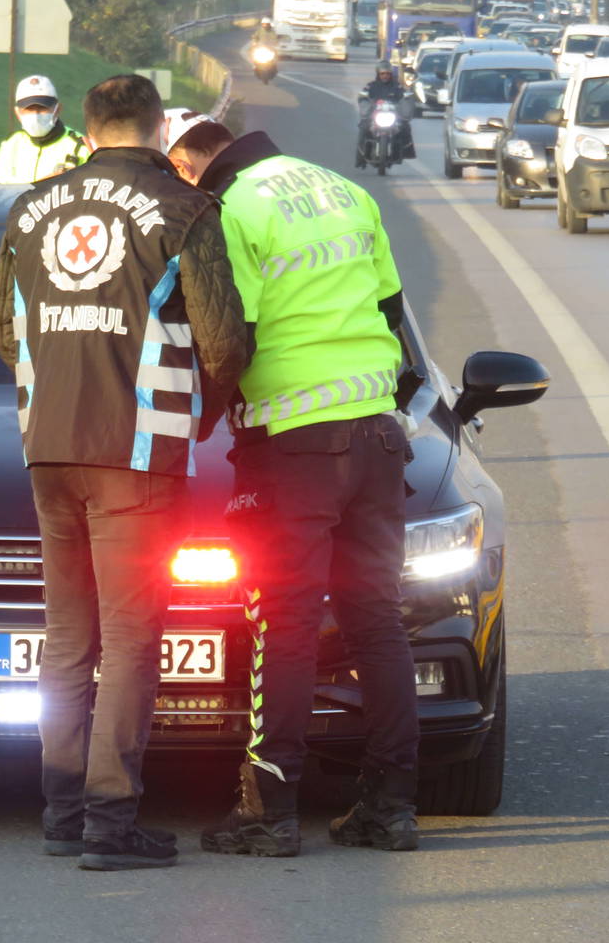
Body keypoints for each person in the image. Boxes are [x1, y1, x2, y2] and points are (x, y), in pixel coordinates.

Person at [0, 74, 248, 871]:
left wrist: (53, 388)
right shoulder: (183, 209)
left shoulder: (28, 210)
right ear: (159, 125)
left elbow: (4, 328)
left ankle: (63, 811)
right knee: (133, 640)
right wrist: (198, 412)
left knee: (68, 636)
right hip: (135, 455)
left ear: (90, 127)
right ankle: (111, 821)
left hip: (49, 447)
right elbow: (223, 339)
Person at [164, 114, 421, 857]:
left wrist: (202, 420)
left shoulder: (228, 209)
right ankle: (391, 807)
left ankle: (268, 810)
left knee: (284, 624)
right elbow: (391, 314)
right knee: (378, 622)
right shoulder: (343, 190)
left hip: (294, 447)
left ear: (187, 167)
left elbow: (227, 335)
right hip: (376, 438)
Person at [0, 75, 91, 184]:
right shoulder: (12, 143)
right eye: (29, 109)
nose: (36, 114)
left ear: (58, 109)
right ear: (18, 113)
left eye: (42, 108)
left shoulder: (80, 146)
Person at [356, 60, 416, 167]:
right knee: (363, 127)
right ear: (378, 74)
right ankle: (361, 157)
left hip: (392, 115)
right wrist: (364, 99)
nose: (385, 76)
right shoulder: (371, 86)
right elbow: (363, 95)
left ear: (391, 74)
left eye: (387, 74)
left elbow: (405, 96)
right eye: (382, 74)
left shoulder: (397, 87)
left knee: (405, 127)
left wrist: (407, 99)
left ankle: (406, 152)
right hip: (375, 115)